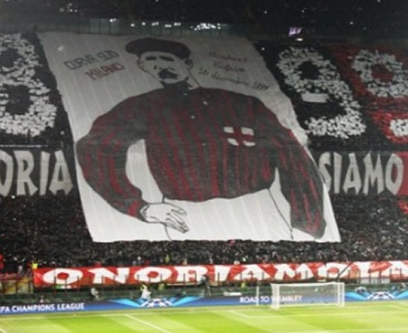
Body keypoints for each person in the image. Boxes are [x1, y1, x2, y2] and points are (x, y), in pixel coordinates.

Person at [76, 37, 337, 241]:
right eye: (151, 59)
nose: (160, 65)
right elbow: (95, 147)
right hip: (187, 213)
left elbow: (293, 157)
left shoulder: (242, 103)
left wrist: (307, 222)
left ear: (186, 64)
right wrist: (139, 207)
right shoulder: (142, 107)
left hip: (257, 207)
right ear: (143, 66)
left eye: (166, 58)